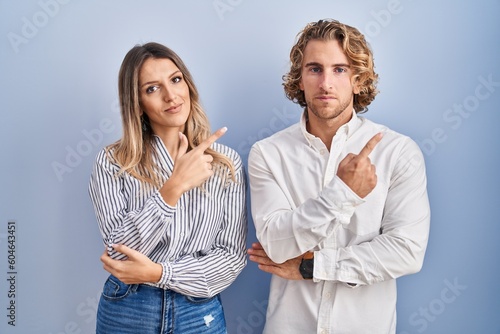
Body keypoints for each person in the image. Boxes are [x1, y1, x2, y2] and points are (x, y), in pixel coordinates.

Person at [247, 19, 430, 333]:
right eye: (315, 69)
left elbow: (406, 252)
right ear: (300, 79)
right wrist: (343, 194)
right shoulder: (268, 153)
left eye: (340, 70)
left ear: (358, 81)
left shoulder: (398, 152)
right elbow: (277, 245)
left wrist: (311, 267)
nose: (326, 83)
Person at [88, 42, 247, 334]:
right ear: (136, 103)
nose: (171, 95)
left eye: (175, 80)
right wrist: (172, 189)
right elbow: (118, 256)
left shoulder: (226, 164)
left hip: (198, 308)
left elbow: (231, 257)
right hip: (129, 308)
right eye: (152, 88)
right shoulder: (113, 162)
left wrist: (161, 273)